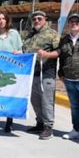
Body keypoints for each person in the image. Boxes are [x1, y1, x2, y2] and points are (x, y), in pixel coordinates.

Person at [39, 13, 79, 143]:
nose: (74, 23)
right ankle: (76, 130)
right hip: (69, 80)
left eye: (77, 21)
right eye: (71, 21)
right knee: (74, 107)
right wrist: (60, 72)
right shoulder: (64, 39)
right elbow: (62, 56)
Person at [24, 11, 60, 140]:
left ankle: (48, 127)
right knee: (35, 100)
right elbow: (25, 50)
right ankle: (40, 123)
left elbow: (59, 50)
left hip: (46, 72)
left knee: (47, 100)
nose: (36, 21)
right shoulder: (30, 35)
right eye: (34, 19)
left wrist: (47, 54)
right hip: (33, 72)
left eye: (39, 18)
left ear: (45, 19)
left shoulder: (53, 34)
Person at [0, 10, 23, 133]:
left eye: (3, 18)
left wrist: (19, 53)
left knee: (9, 95)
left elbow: (20, 50)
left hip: (9, 71)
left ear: (7, 20)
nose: (1, 21)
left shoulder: (14, 34)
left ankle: (9, 121)